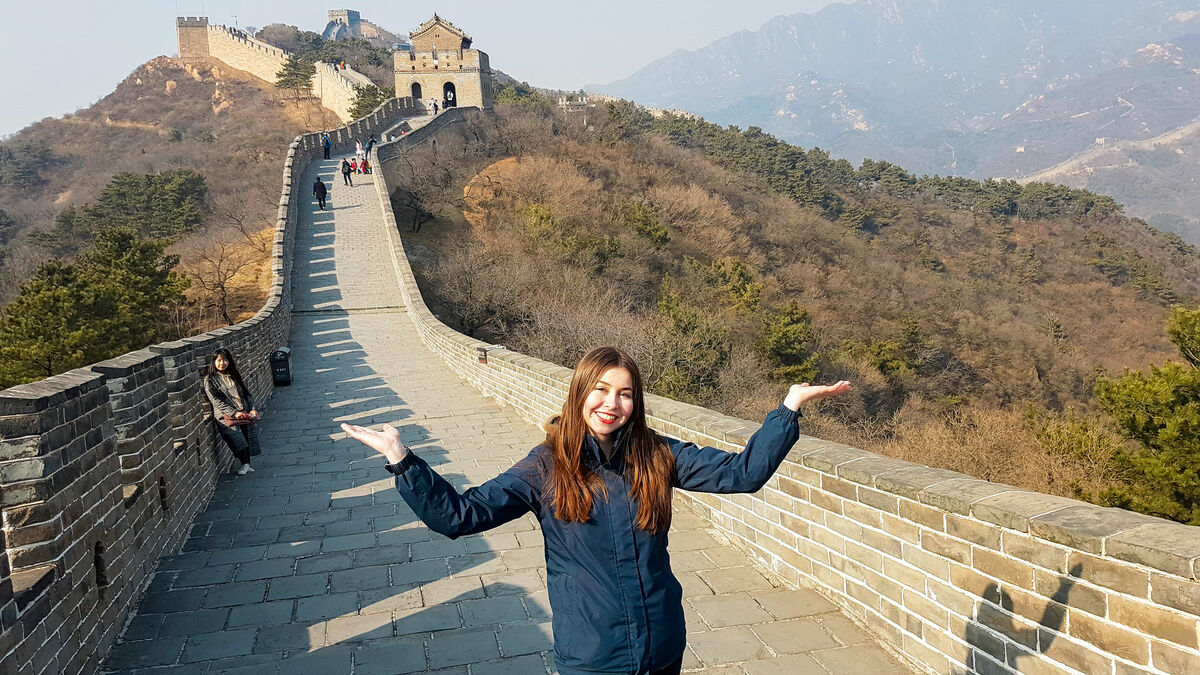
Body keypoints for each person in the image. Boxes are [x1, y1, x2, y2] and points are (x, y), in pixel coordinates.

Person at [342, 346, 851, 675]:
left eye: (625, 394)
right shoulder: (545, 468)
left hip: (661, 644)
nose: (613, 403)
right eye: (601, 390)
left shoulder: (657, 454)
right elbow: (460, 516)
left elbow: (743, 474)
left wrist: (787, 409)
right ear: (580, 394)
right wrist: (403, 461)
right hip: (593, 654)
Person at [203, 348, 263, 475]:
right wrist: (234, 412)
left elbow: (246, 394)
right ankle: (245, 463)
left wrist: (252, 408)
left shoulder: (234, 375)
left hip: (244, 410)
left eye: (225, 360)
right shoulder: (210, 380)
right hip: (226, 416)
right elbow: (216, 401)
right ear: (213, 362)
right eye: (219, 360)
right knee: (236, 437)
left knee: (247, 437)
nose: (222, 363)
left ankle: (247, 464)